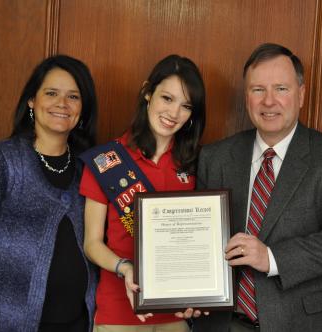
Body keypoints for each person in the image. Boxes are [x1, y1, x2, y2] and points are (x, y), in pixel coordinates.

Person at [193, 43, 322, 332]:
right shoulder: (215, 158)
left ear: (301, 94)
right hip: (224, 324)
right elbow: (201, 242)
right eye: (258, 89)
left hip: (305, 323)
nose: (269, 101)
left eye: (281, 89)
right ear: (246, 97)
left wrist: (272, 257)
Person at [80, 54, 206, 332]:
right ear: (148, 92)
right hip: (118, 314)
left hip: (175, 316)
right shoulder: (107, 160)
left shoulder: (197, 164)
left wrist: (202, 291)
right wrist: (125, 268)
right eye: (167, 98)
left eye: (186, 106)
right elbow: (91, 243)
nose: (174, 114)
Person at [0, 55, 99, 331]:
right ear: (32, 100)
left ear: (83, 108)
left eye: (73, 96)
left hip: (79, 323)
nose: (62, 104)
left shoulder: (90, 167)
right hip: (10, 323)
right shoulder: (2, 159)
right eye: (52, 93)